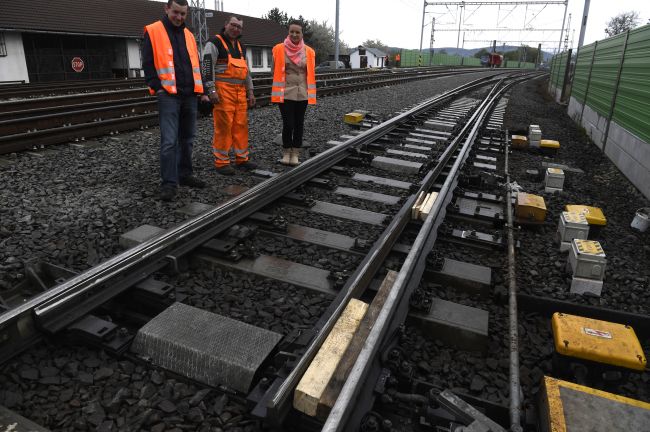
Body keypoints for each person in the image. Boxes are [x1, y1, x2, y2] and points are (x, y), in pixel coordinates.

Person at [142, 0, 207, 201]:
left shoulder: (189, 35)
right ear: (167, 9)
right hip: (168, 95)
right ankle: (169, 183)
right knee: (169, 142)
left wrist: (202, 90)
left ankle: (184, 174)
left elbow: (195, 63)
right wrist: (157, 87)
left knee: (187, 139)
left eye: (183, 14)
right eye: (176, 13)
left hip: (190, 94)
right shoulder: (153, 31)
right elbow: (148, 62)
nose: (179, 17)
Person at [203, 16, 256, 175]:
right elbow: (207, 67)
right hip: (222, 91)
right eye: (233, 25)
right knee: (224, 127)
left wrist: (250, 91)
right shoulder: (214, 42)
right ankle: (221, 162)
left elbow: (246, 72)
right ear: (225, 25)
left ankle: (242, 159)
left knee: (241, 125)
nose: (236, 29)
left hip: (240, 92)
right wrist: (211, 90)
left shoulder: (241, 46)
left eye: (239, 27)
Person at [271, 20, 316, 166]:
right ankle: (286, 152)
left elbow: (310, 72)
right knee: (288, 123)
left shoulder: (309, 51)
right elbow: (274, 70)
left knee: (299, 123)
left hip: (302, 92)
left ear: (302, 33)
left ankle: (295, 152)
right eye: (292, 32)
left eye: (297, 32)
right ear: (288, 32)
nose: (294, 34)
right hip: (284, 92)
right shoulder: (278, 49)